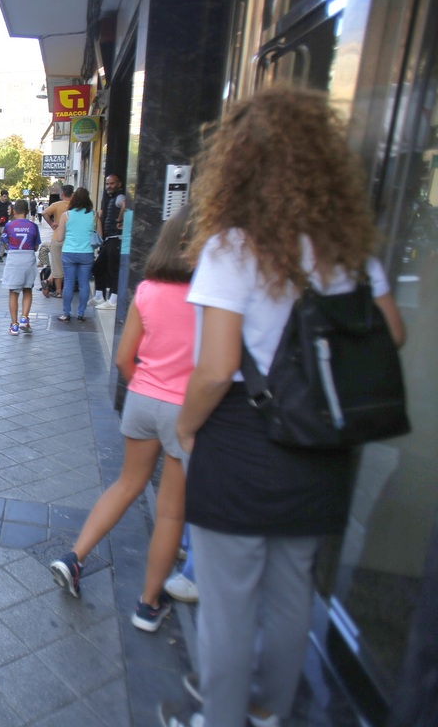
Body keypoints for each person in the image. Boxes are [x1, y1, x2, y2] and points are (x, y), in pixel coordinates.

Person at [160, 88, 406, 727]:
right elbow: (391, 335)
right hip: (320, 442)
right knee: (293, 587)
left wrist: (186, 428)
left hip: (242, 437)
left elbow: (215, 368)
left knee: (227, 599)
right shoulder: (350, 250)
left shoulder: (231, 249)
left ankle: (221, 718)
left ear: (236, 164)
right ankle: (271, 708)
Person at [51, 204, 197, 634]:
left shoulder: (149, 289)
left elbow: (123, 358)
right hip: (183, 410)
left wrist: (143, 390)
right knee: (170, 512)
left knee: (126, 484)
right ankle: (149, 604)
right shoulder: (213, 298)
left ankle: (74, 558)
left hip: (142, 399)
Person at [52, 187, 96, 322]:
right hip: (87, 253)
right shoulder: (94, 215)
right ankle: (81, 313)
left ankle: (66, 313)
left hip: (69, 252)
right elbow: (99, 235)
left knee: (69, 283)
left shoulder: (66, 215)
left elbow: (59, 238)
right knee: (84, 284)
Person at [0, 198, 40, 336]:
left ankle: (14, 325)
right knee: (27, 289)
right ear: (28, 211)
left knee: (13, 292)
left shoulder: (9, 226)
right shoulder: (33, 226)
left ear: (14, 210)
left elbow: (4, 241)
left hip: (14, 258)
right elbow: (36, 246)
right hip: (28, 257)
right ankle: (24, 318)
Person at [91, 174, 126, 310]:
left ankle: (114, 300)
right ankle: (99, 296)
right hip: (109, 240)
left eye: (112, 183)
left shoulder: (119, 197)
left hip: (115, 240)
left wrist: (119, 220)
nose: (109, 186)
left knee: (113, 270)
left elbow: (124, 204)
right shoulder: (112, 199)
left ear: (119, 184)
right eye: (107, 184)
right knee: (98, 267)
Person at [42, 185, 73, 297]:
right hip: (71, 240)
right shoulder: (75, 206)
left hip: (57, 238)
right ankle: (67, 288)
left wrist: (51, 224)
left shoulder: (56, 205)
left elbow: (44, 213)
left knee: (57, 265)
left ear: (62, 194)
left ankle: (58, 291)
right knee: (69, 266)